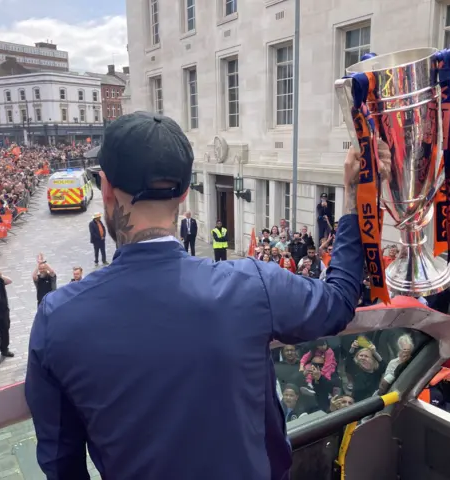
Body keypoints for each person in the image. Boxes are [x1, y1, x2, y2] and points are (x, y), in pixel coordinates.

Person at [25, 111, 369, 480]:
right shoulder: (252, 283)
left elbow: (62, 462)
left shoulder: (57, 317)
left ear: (106, 187)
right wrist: (350, 194)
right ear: (185, 191)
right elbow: (338, 302)